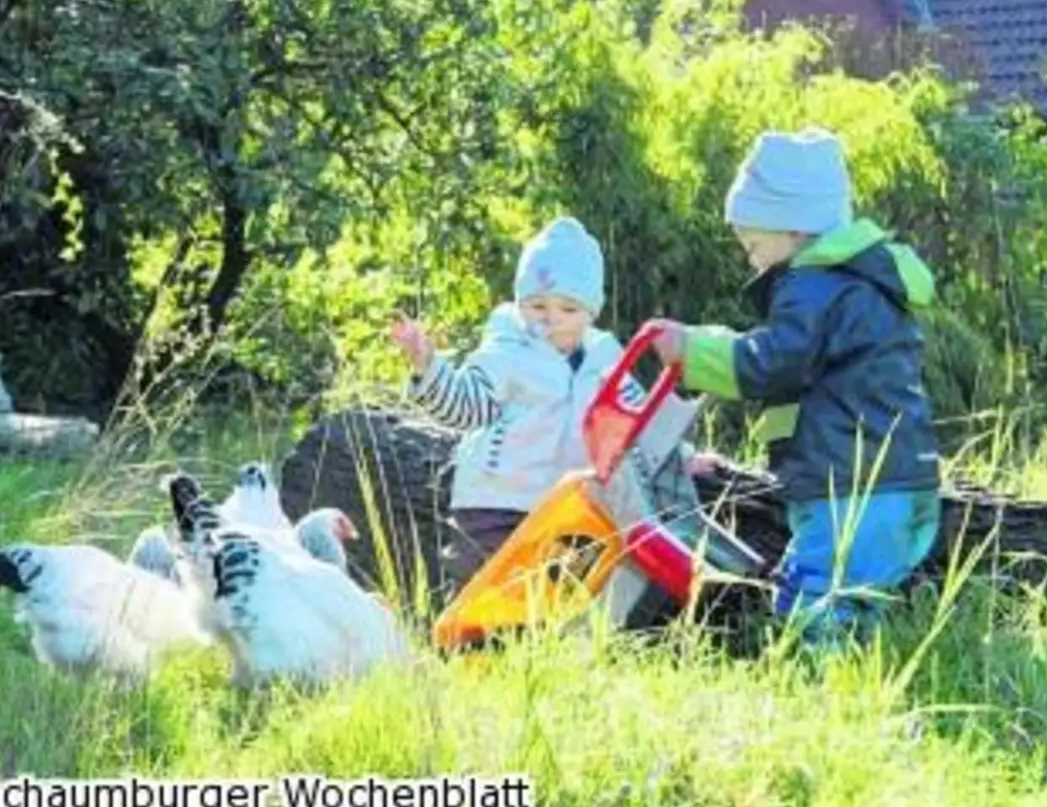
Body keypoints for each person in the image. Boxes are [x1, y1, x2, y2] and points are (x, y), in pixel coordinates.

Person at [650, 126, 943, 648]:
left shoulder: (812, 285)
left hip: (852, 485)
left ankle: (823, 690)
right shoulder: (865, 283)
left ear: (796, 232)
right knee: (835, 593)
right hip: (901, 479)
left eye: (754, 245)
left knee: (822, 601)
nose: (751, 260)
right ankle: (837, 666)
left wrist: (693, 352)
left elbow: (773, 362)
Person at [390, 216, 680, 598]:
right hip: (496, 502)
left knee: (555, 594)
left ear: (591, 313)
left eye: (568, 309)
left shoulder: (605, 362)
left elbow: (639, 421)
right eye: (537, 305)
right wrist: (429, 366)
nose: (551, 318)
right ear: (519, 302)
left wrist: (684, 455)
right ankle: (465, 642)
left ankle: (542, 649)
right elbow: (465, 408)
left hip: (568, 506)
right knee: (483, 586)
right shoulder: (506, 351)